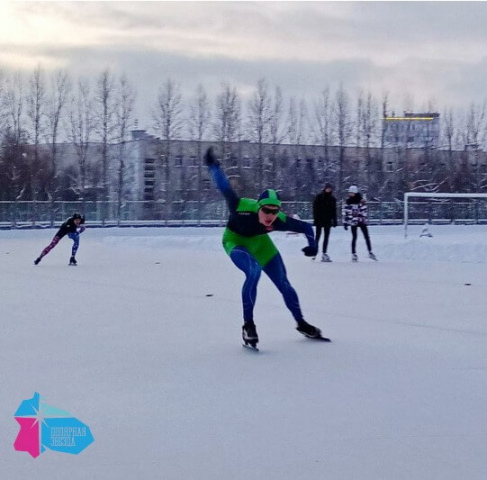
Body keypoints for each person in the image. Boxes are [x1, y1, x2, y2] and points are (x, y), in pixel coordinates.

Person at [204, 147, 330, 347]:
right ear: (258, 207)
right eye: (266, 210)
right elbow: (225, 188)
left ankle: (301, 323)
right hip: (235, 240)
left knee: (284, 283)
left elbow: (306, 227)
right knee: (253, 272)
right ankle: (248, 325)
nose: (270, 215)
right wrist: (213, 166)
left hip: (261, 244)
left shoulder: (278, 220)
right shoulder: (241, 208)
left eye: (275, 210)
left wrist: (313, 245)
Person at [342, 186, 377, 262]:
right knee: (354, 237)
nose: (350, 194)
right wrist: (345, 222)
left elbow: (364, 210)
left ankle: (370, 252)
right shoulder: (348, 201)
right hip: (353, 221)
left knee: (366, 236)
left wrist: (361, 216)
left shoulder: (361, 201)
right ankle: (353, 254)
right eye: (350, 193)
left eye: (352, 193)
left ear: (355, 193)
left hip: (361, 221)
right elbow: (345, 212)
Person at [312, 183, 337, 262]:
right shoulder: (319, 197)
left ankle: (324, 253)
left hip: (327, 220)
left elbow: (334, 211)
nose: (328, 190)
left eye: (330, 188)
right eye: (327, 188)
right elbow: (315, 209)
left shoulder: (332, 199)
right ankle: (315, 251)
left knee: (326, 237)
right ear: (325, 188)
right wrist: (315, 219)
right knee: (318, 236)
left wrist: (334, 220)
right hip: (319, 219)